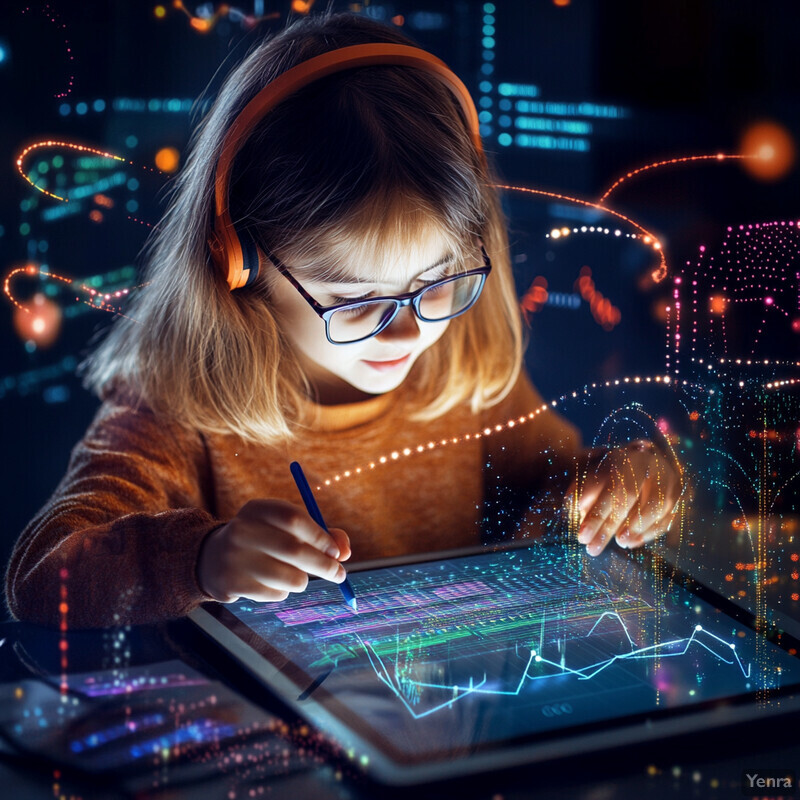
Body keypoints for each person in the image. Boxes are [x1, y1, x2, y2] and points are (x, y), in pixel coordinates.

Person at [5, 11, 681, 629]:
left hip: (440, 744)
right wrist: (204, 558)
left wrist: (619, 487)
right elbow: (42, 578)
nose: (408, 332)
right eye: (357, 301)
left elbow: (558, 491)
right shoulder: (174, 412)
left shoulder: (465, 375)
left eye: (438, 283)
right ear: (237, 262)